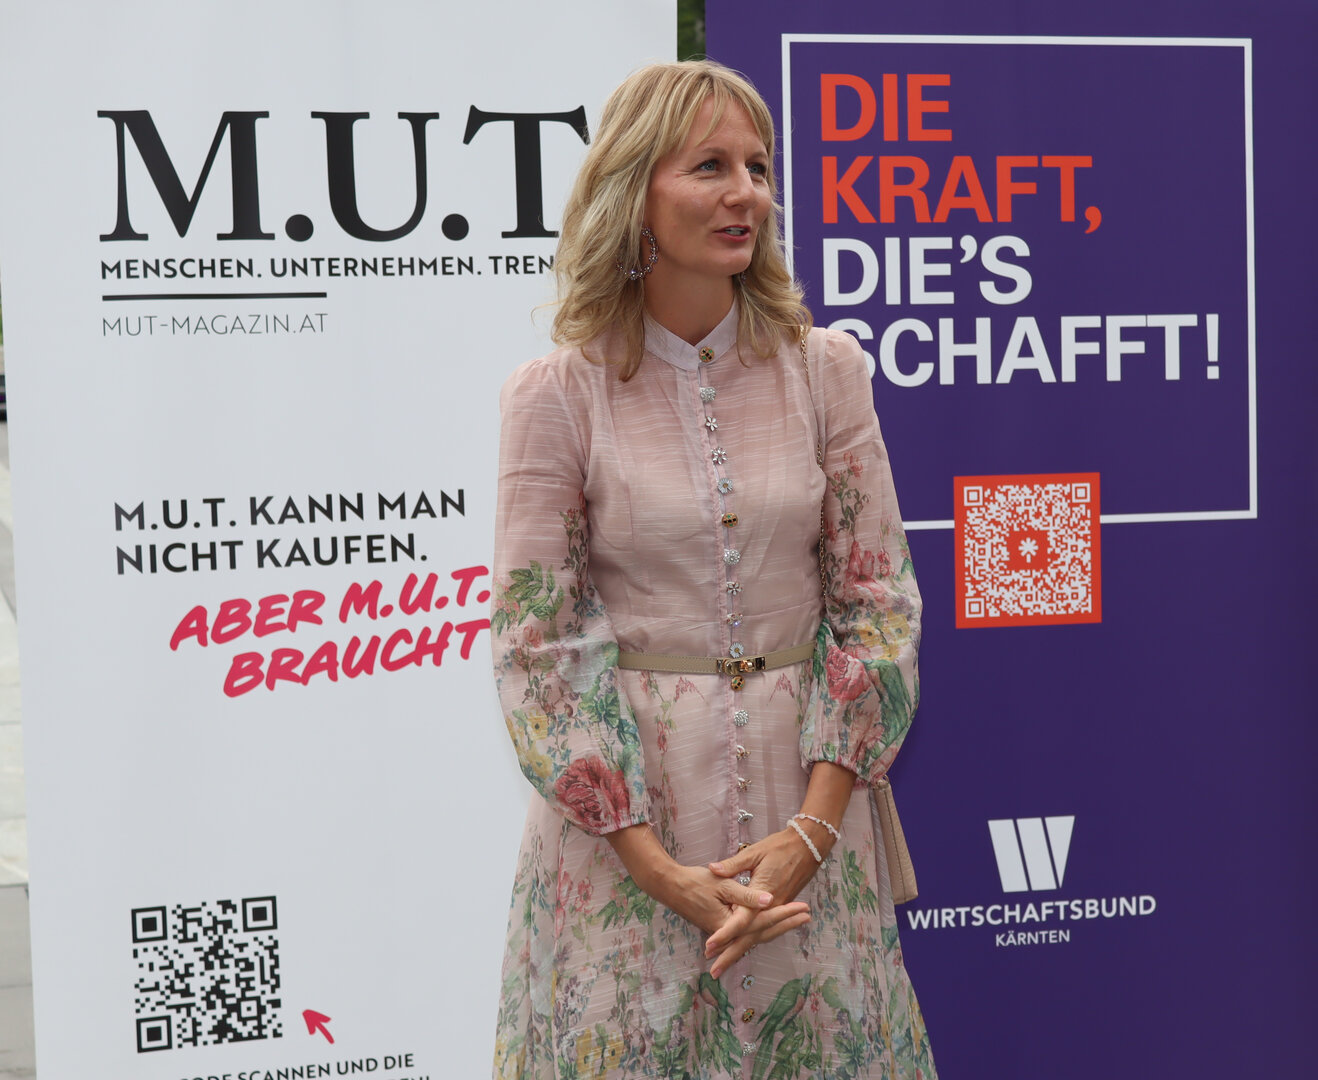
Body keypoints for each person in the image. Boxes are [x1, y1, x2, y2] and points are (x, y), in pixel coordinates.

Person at [490, 60, 936, 1080]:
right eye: (710, 167)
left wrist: (810, 835)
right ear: (634, 191)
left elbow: (876, 605)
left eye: (759, 168)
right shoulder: (557, 393)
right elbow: (537, 643)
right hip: (628, 837)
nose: (747, 194)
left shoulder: (827, 370)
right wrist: (658, 870)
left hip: (810, 814)